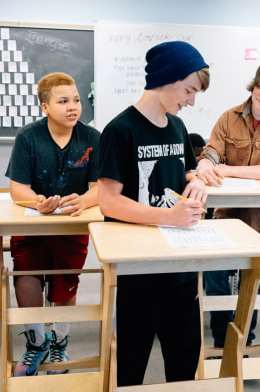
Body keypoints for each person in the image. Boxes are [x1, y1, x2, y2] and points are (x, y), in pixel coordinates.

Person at [97, 41, 209, 386]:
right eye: (189, 90)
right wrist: (169, 217)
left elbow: (186, 171)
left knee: (184, 352)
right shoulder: (120, 131)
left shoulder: (176, 127)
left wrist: (198, 181)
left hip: (179, 263)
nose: (191, 100)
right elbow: (109, 202)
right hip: (138, 268)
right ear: (165, 79)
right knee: (133, 357)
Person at [195, 58, 260, 349]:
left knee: (250, 282)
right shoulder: (229, 117)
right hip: (225, 216)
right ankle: (220, 342)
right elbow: (211, 152)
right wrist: (206, 164)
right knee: (216, 279)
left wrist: (229, 170)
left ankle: (244, 343)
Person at [5, 72, 100, 376]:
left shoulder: (92, 138)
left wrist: (84, 200)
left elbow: (99, 187)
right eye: (63, 101)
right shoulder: (28, 137)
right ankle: (36, 343)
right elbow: (18, 189)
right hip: (34, 225)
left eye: (76, 100)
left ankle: (59, 342)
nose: (73, 106)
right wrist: (38, 202)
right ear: (45, 107)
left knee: (65, 284)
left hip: (72, 226)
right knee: (26, 280)